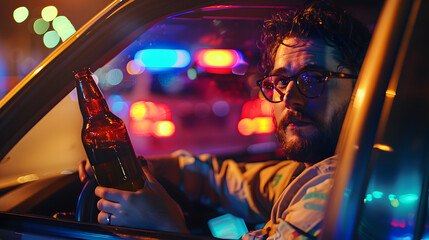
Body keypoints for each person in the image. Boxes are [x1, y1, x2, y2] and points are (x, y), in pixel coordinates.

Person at [78, 1, 371, 238]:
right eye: (280, 80)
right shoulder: (313, 170)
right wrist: (148, 167)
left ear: (363, 89)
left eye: (313, 78)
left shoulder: (337, 194)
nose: (289, 97)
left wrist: (166, 228)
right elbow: (231, 181)